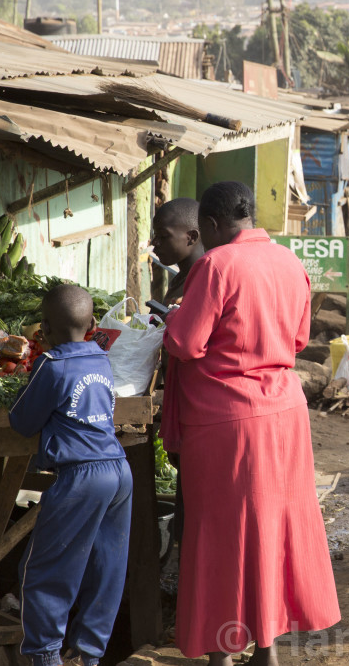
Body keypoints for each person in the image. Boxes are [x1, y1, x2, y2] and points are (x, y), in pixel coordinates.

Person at [163, 182, 340, 664]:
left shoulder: (215, 265)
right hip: (284, 414)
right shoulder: (289, 262)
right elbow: (299, 339)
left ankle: (222, 653)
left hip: (228, 421)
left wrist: (173, 318)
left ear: (215, 225)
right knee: (271, 530)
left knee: (221, 535)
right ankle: (267, 647)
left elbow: (185, 344)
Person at [9, 284, 133, 666]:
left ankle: (45, 656)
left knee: (43, 571)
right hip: (118, 471)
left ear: (43, 329)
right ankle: (88, 656)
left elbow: (23, 421)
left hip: (81, 476)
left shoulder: (52, 364)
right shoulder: (100, 357)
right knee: (106, 568)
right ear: (93, 324)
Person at [150, 197, 204, 542]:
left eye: (163, 236)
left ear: (192, 236)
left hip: (197, 411)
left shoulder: (200, 286)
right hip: (179, 404)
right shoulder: (181, 278)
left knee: (194, 511)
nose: (155, 244)